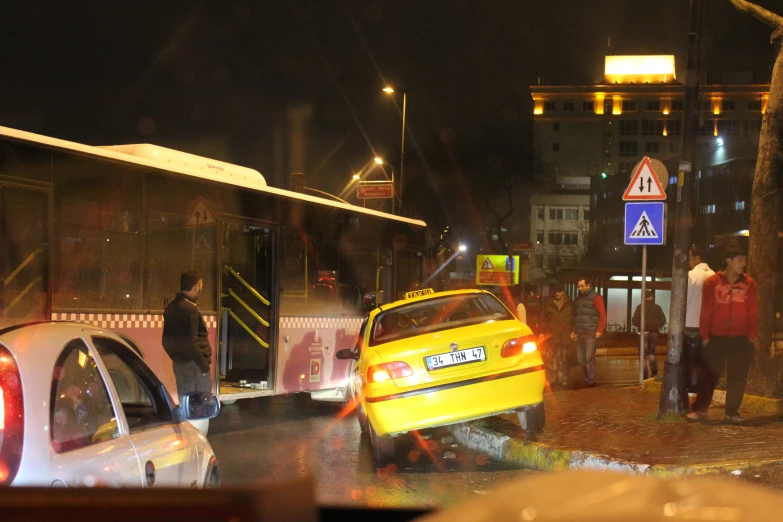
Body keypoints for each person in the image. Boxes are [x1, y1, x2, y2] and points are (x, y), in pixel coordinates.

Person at [686, 245, 757, 424]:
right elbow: (706, 311)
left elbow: (753, 312)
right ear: (729, 260)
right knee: (708, 376)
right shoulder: (713, 282)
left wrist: (751, 337)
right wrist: (706, 337)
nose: (744, 263)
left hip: (741, 339)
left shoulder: (749, 284)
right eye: (740, 259)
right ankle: (700, 410)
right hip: (716, 338)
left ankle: (732, 412)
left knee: (738, 377)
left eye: (745, 259)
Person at [162, 271, 213, 403]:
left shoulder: (171, 307)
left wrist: (176, 357)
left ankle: (186, 424)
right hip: (195, 366)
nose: (200, 290)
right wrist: (204, 366)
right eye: (200, 287)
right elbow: (191, 342)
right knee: (200, 406)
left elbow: (165, 341)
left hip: (179, 364)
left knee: (185, 403)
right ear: (196, 287)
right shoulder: (190, 310)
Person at [685, 246, 715, 392]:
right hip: (710, 327)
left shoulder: (691, 276)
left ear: (697, 258)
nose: (689, 262)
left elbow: (683, 301)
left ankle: (692, 392)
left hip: (691, 325)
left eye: (690, 258)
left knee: (691, 363)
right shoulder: (715, 276)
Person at [571, 278, 606, 388]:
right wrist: (574, 331)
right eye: (579, 286)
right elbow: (576, 317)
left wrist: (600, 330)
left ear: (588, 285)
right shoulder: (578, 299)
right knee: (581, 359)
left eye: (582, 286)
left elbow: (602, 315)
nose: (580, 288)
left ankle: (590, 380)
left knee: (589, 358)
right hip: (580, 332)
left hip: (591, 332)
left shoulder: (596, 298)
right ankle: (589, 377)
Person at [540, 282, 574, 387]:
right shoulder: (548, 304)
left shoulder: (570, 304)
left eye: (559, 291)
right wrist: (541, 331)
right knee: (550, 358)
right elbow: (543, 318)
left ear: (563, 292)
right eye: (555, 291)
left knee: (564, 358)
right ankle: (550, 379)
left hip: (565, 335)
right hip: (552, 335)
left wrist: (574, 331)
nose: (557, 293)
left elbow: (575, 319)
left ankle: (564, 379)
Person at [632, 290, 667, 379]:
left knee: (643, 354)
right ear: (651, 297)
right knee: (651, 353)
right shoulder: (657, 307)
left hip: (643, 332)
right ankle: (654, 373)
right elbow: (663, 321)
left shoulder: (640, 307)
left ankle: (645, 375)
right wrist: (656, 326)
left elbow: (634, 321)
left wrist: (641, 325)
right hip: (654, 332)